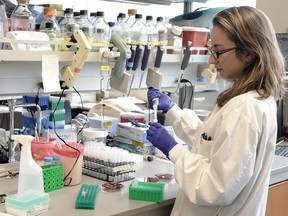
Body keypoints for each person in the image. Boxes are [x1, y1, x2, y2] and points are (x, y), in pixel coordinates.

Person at [147, 6, 286, 216]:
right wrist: (173, 110)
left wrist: (173, 149)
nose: (212, 60)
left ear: (248, 51)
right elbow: (211, 141)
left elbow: (215, 188)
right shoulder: (249, 98)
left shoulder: (245, 108)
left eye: (218, 52)